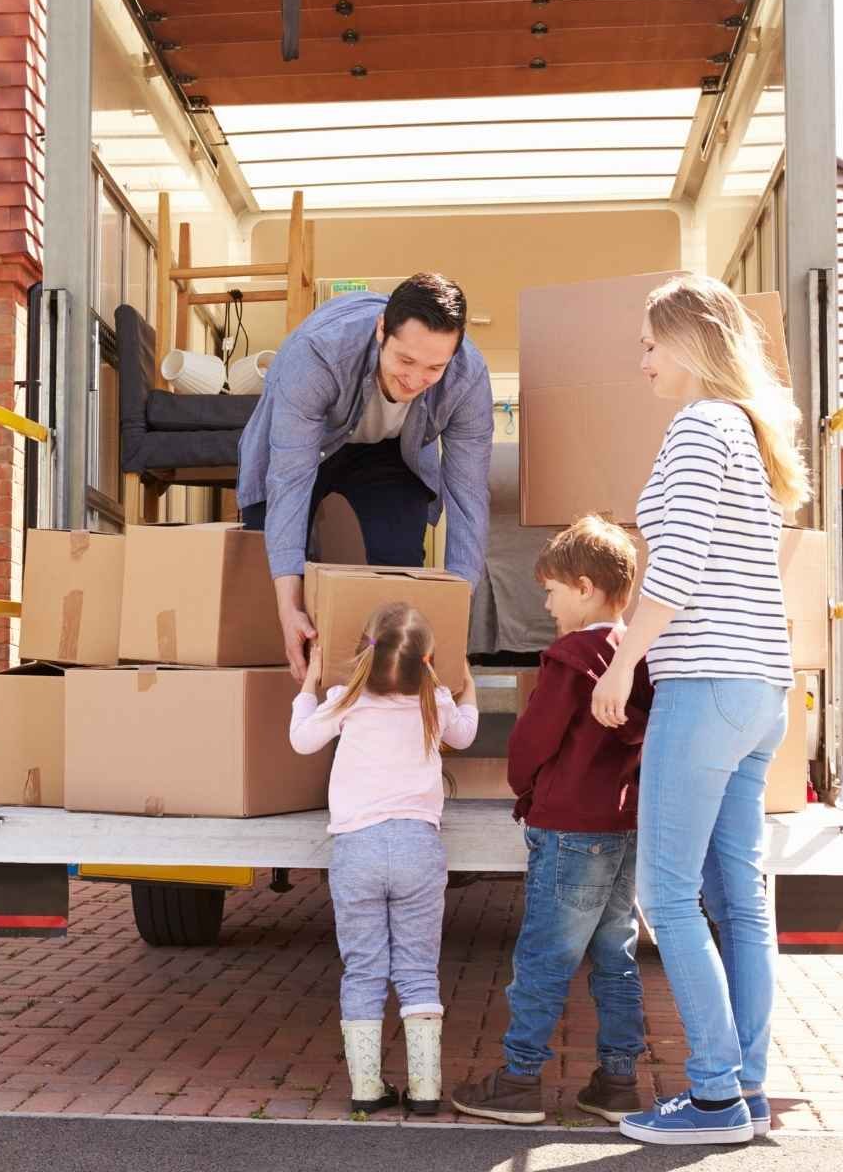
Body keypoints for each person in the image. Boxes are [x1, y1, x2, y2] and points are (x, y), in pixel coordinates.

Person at [590, 275, 809, 1146]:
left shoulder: (696, 428)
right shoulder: (748, 435)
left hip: (708, 686)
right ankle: (745, 1090)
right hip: (761, 692)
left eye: (649, 344)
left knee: (666, 893)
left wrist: (623, 665)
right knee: (738, 898)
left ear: (688, 340)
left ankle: (714, 1095)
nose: (642, 361)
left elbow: (673, 570)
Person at [450, 516, 653, 1125]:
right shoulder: (636, 656)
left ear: (585, 588)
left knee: (543, 956)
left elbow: (532, 741)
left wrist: (527, 790)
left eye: (551, 590)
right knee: (615, 955)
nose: (545, 601)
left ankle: (518, 1080)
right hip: (622, 826)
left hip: (568, 828)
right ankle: (618, 1083)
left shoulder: (569, 657)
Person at [238, 274, 494, 681]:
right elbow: (289, 479)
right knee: (268, 577)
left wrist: (453, 618)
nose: (414, 380)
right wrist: (289, 608)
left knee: (398, 565)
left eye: (434, 368)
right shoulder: (318, 353)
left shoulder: (468, 376)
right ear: (381, 331)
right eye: (405, 361)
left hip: (391, 454)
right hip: (309, 447)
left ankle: (386, 699)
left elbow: (468, 496)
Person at [288, 602, 478, 1115]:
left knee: (364, 970)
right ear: (430, 659)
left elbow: (302, 740)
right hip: (419, 848)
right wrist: (467, 684)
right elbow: (466, 733)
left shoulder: (344, 700)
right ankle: (425, 1089)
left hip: (358, 849)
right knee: (418, 970)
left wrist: (308, 684)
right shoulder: (433, 702)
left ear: (361, 654)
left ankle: (367, 1089)